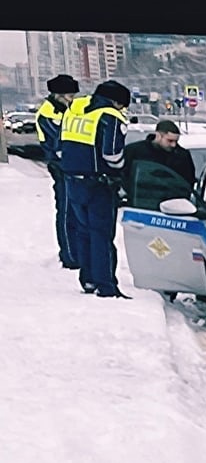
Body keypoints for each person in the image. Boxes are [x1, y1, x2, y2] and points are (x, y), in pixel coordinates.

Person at [56, 77, 131, 298]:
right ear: (117, 102)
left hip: (72, 179)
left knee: (84, 231)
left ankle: (87, 280)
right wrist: (121, 169)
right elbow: (112, 155)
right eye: (123, 105)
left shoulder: (75, 108)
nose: (123, 109)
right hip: (99, 183)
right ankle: (106, 286)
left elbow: (60, 146)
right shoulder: (111, 116)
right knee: (101, 235)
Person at [34, 74, 81, 270]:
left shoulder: (66, 110)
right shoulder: (48, 113)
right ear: (57, 95)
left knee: (76, 212)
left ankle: (76, 252)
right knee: (66, 211)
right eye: (68, 96)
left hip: (72, 166)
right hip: (60, 166)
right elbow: (59, 140)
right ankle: (69, 256)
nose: (71, 100)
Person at [125, 119, 197, 211]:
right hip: (141, 205)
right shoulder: (135, 152)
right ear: (158, 136)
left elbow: (188, 181)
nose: (173, 145)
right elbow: (123, 175)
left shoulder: (182, 155)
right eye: (170, 141)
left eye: (176, 141)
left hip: (176, 209)